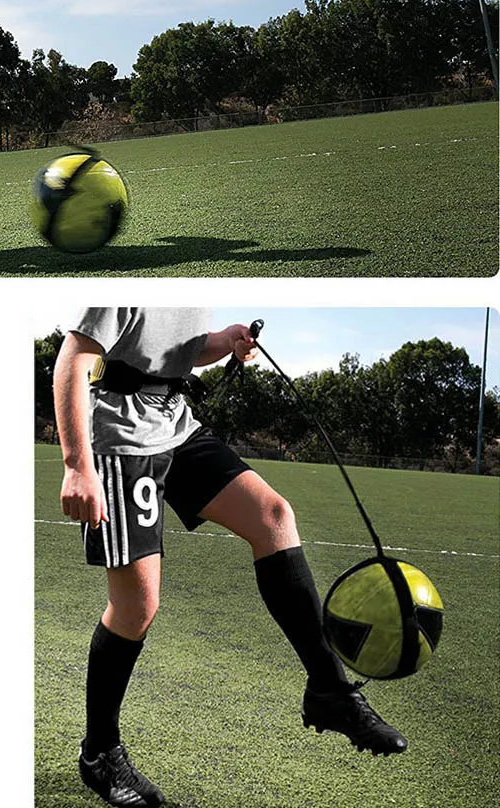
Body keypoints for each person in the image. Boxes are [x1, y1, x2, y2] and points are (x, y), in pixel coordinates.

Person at [55, 308, 406, 808]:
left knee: (273, 516)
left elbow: (176, 349)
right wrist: (77, 466)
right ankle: (100, 754)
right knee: (137, 608)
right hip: (120, 439)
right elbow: (73, 360)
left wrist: (222, 341)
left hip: (177, 426)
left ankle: (330, 691)